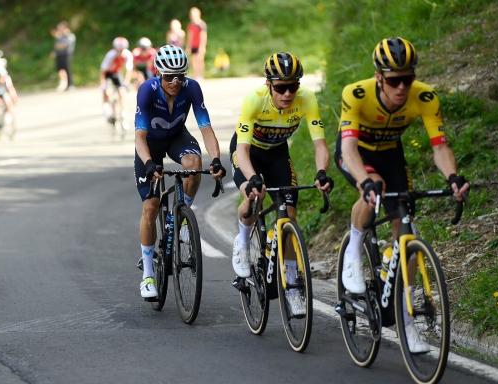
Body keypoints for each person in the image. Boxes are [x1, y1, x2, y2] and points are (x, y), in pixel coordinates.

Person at [335, 37, 470, 353]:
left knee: (406, 234)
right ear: (379, 77)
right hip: (356, 154)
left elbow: (440, 146)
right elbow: (349, 148)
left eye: (407, 79)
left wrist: (452, 177)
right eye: (394, 80)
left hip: (391, 154)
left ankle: (406, 321)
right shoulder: (356, 94)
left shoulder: (424, 96)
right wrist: (365, 180)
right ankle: (353, 254)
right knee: (375, 187)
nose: (401, 88)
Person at [229, 52, 334, 316]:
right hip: (248, 152)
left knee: (289, 215)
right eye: (280, 88)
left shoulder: (307, 100)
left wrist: (321, 172)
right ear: (269, 85)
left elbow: (320, 144)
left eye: (293, 86)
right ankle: (242, 243)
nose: (287, 94)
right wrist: (252, 178)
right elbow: (241, 152)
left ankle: (292, 284)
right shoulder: (254, 101)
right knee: (253, 198)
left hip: (277, 154)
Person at [134, 45, 225, 299]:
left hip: (176, 137)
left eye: (180, 76)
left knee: (194, 164)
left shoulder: (192, 88)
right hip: (150, 145)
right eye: (168, 77)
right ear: (158, 74)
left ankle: (183, 213)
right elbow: (139, 137)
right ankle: (149, 273)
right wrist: (150, 163)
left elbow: (205, 127)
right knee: (151, 207)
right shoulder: (146, 91)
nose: (175, 82)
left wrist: (216, 159)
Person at [100, 37, 133, 124]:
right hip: (107, 73)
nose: (120, 52)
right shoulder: (110, 55)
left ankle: (122, 112)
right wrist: (103, 84)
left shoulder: (127, 55)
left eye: (122, 50)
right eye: (118, 50)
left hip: (116, 73)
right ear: (115, 48)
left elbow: (129, 70)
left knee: (121, 92)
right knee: (106, 92)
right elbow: (103, 71)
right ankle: (106, 109)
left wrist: (126, 82)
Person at [51, 21, 76, 91]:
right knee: (60, 69)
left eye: (61, 27)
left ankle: (71, 85)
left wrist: (60, 45)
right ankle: (64, 84)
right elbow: (56, 46)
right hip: (59, 55)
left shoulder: (70, 36)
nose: (60, 29)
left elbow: (65, 45)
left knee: (68, 69)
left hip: (67, 54)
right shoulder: (59, 37)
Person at [185, 6, 207, 80]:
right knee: (193, 60)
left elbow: (203, 36)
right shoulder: (190, 25)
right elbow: (189, 37)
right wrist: (188, 47)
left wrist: (202, 47)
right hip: (193, 46)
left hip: (199, 45)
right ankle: (196, 75)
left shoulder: (201, 24)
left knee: (200, 60)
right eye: (191, 15)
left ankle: (201, 75)